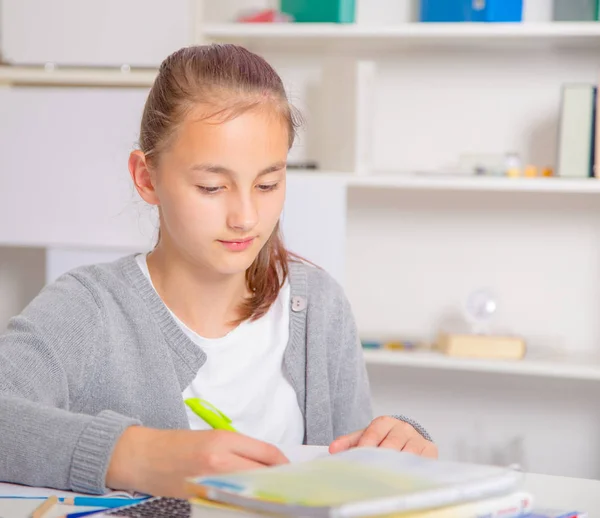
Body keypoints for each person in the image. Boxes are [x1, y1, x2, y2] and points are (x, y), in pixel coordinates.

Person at [0, 44, 436, 498]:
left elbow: (352, 480)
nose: (245, 217)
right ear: (147, 178)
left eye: (268, 184)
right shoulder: (89, 308)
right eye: (211, 187)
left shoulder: (320, 306)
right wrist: (133, 456)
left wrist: (392, 446)